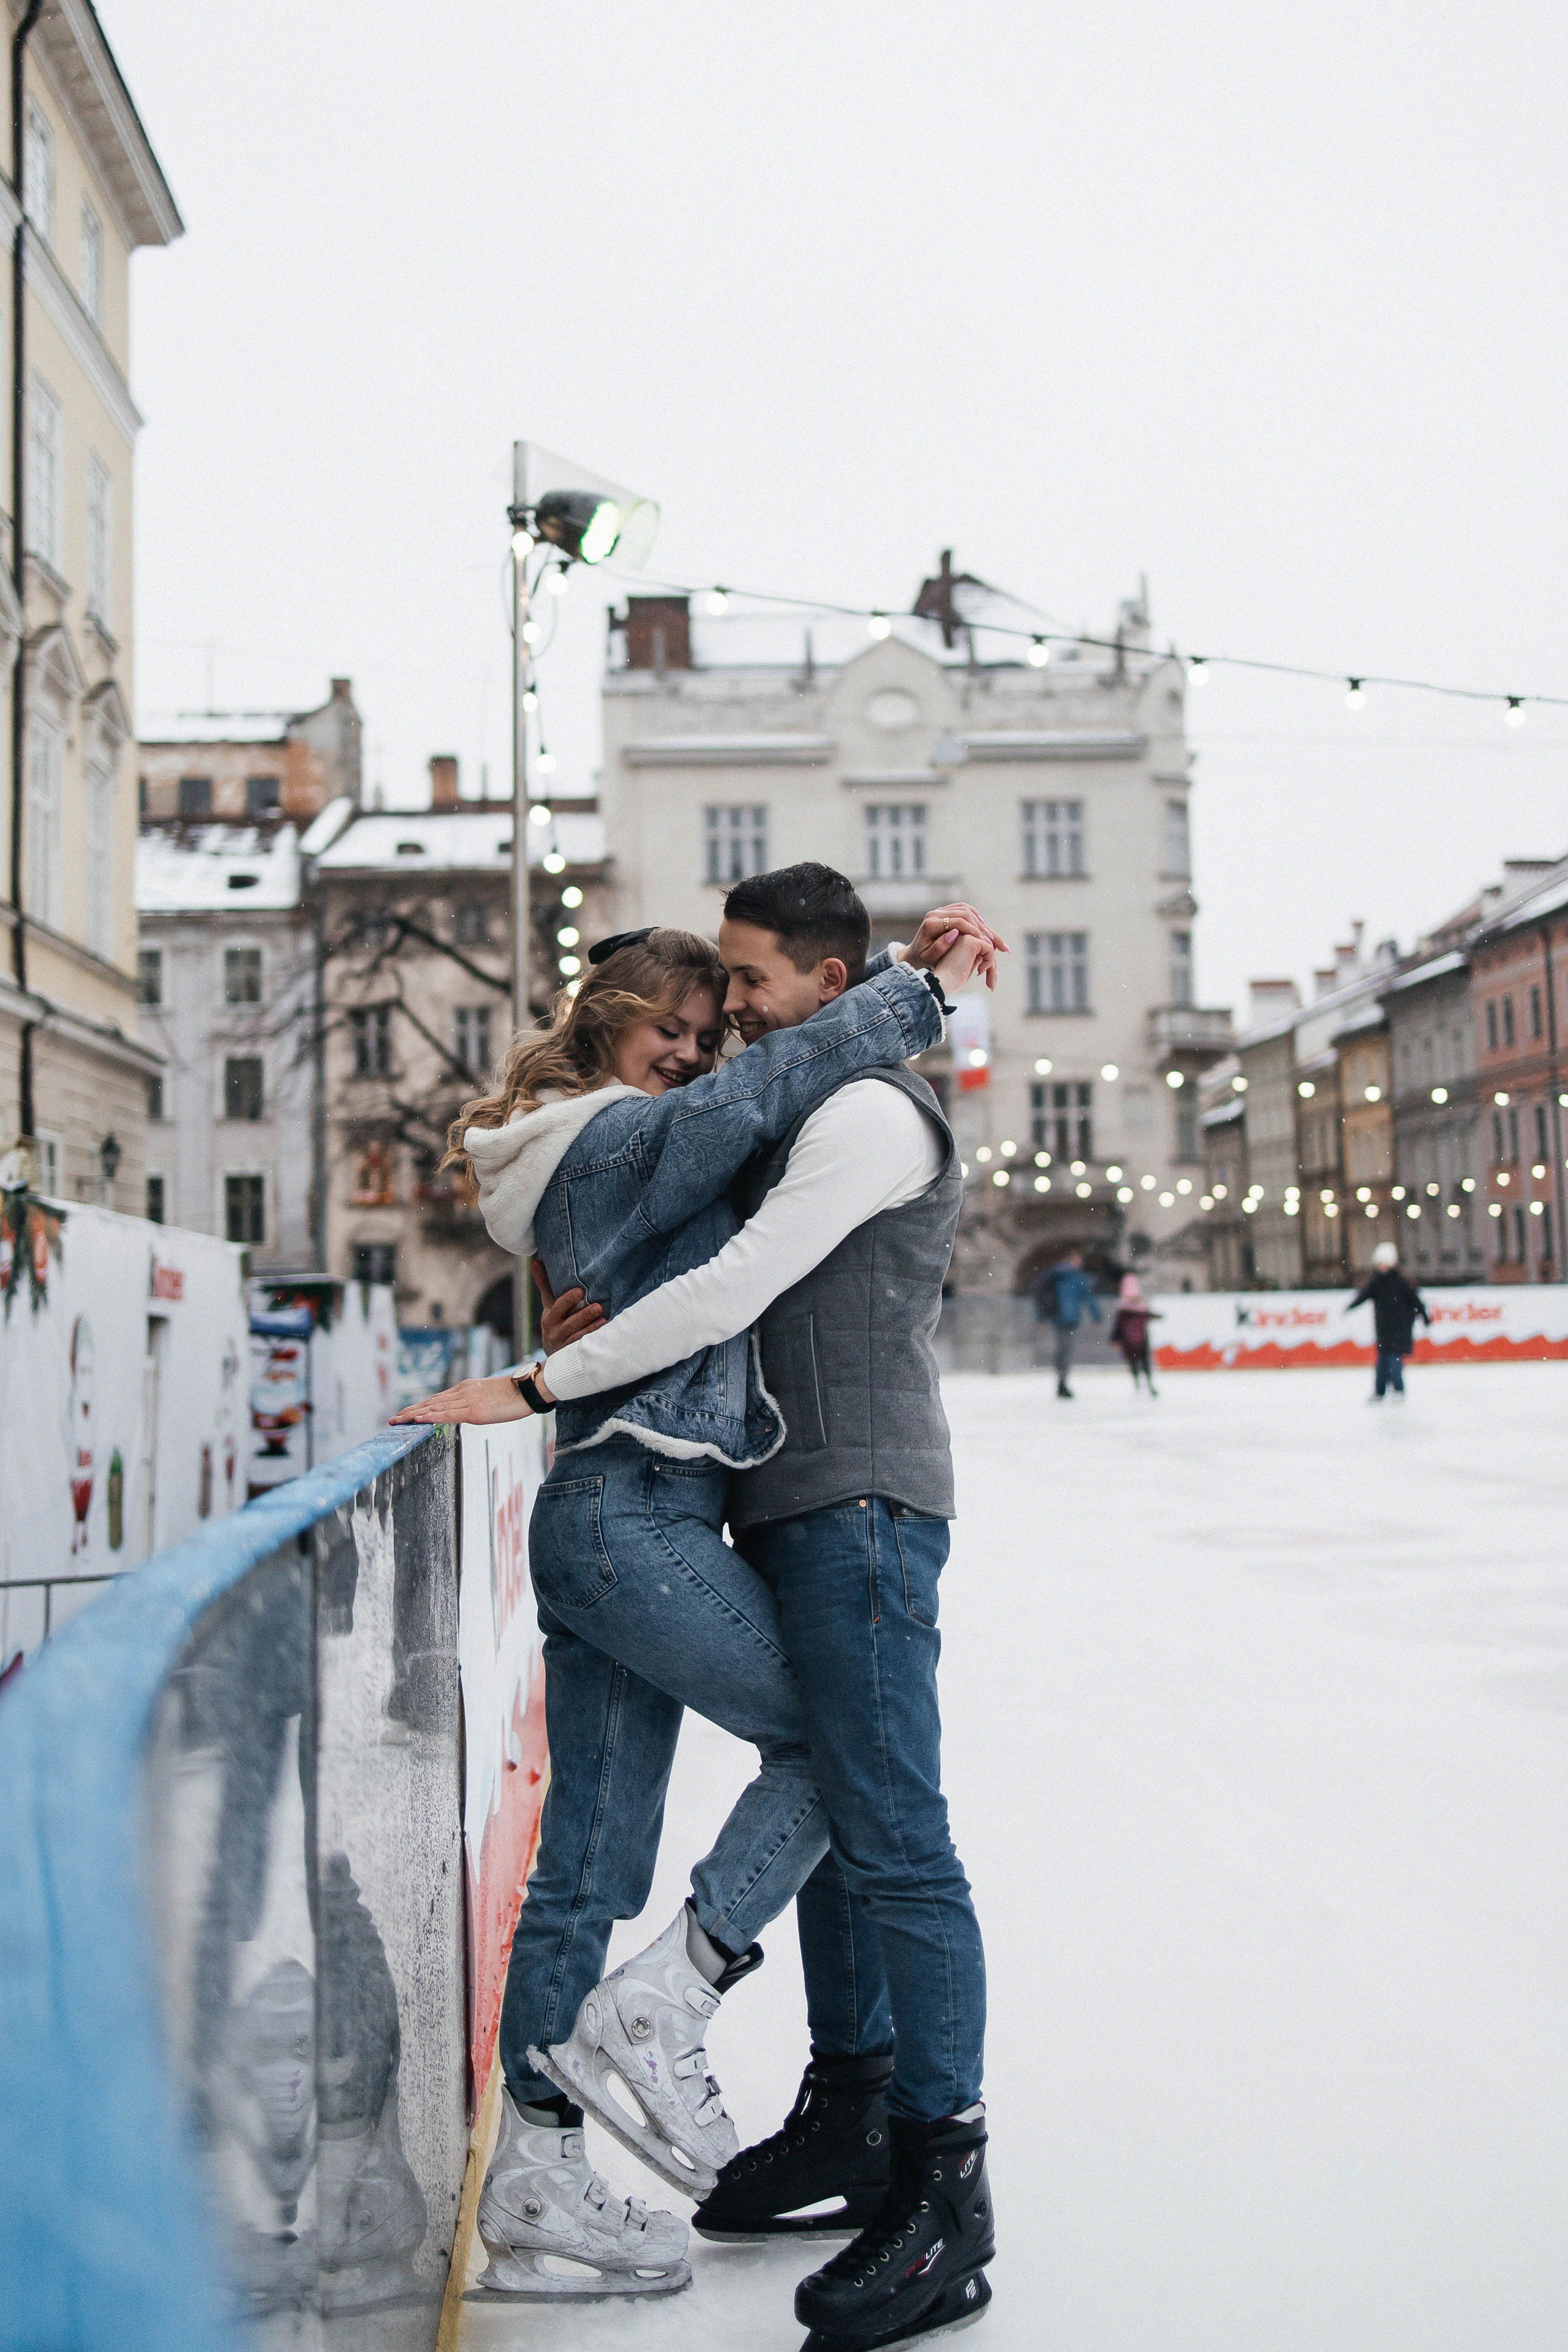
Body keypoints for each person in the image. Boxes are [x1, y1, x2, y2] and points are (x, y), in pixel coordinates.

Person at [391, 903, 992, 2311]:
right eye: (671, 1026)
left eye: (705, 1030)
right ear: (605, 1026)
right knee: (834, 1753)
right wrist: (913, 989)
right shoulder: (619, 1136)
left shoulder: (606, 1149)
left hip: (616, 1509)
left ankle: (536, 2178)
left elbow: (744, 1124)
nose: (693, 1050)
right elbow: (760, 1094)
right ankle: (672, 1994)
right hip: (633, 1513)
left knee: (584, 1872)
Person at [1346, 1240, 1430, 1398]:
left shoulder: (1401, 1282)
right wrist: (1350, 1306)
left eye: (1385, 1263)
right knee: (1383, 1360)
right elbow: (1364, 1295)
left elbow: (1415, 1301)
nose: (1382, 1267)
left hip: (1400, 1327)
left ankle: (1398, 1389)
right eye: (1380, 1263)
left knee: (1394, 1358)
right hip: (1383, 1328)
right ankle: (1380, 1390)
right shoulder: (1377, 1281)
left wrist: (1424, 1317)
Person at [1033, 1245, 1100, 1397]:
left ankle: (1062, 1378)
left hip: (1061, 1317)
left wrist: (1042, 1317)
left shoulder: (1055, 1274)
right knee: (1065, 1350)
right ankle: (1062, 1380)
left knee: (1063, 1349)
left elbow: (1042, 1295)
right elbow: (1089, 1298)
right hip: (1066, 1318)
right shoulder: (1072, 1277)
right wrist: (1096, 1317)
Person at [1109, 1270, 1161, 1393]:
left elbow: (1118, 1326)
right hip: (1140, 1339)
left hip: (1131, 1340)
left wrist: (1114, 1339)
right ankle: (1146, 1383)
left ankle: (1140, 1383)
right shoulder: (1141, 1307)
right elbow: (1149, 1316)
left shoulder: (1124, 1308)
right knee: (1142, 1362)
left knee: (1136, 1362)